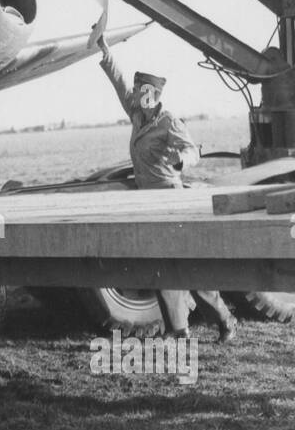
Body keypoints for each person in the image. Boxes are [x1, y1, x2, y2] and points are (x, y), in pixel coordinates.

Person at [97, 33, 239, 343]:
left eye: (140, 91)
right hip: (146, 202)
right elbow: (119, 82)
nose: (134, 94)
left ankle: (225, 320)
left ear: (154, 94)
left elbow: (192, 151)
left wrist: (180, 164)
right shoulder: (138, 116)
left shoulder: (169, 122)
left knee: (186, 267)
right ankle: (180, 331)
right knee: (160, 268)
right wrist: (105, 51)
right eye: (135, 90)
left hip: (170, 198)